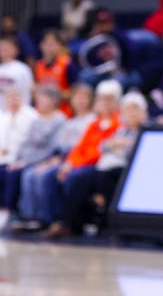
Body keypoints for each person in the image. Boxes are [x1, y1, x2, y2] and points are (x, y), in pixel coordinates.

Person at [45, 89, 145, 240]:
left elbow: (134, 154)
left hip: (124, 168)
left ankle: (109, 222)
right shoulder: (121, 130)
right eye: (128, 110)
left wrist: (120, 146)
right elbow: (102, 146)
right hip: (105, 165)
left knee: (95, 177)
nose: (131, 114)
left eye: (135, 110)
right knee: (78, 180)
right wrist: (114, 144)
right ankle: (67, 223)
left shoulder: (142, 131)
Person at [41, 79, 121, 239]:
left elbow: (100, 152)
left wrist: (75, 165)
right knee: (51, 175)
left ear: (116, 102)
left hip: (99, 166)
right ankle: (51, 220)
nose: (104, 103)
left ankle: (69, 223)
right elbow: (80, 147)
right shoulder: (94, 123)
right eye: (102, 99)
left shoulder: (118, 123)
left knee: (76, 178)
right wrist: (69, 163)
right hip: (81, 163)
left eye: (109, 99)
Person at [12, 83, 93, 233]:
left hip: (78, 161)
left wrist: (62, 161)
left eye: (84, 97)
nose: (80, 101)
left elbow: (83, 147)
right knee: (31, 173)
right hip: (62, 157)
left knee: (46, 175)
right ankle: (29, 216)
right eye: (77, 97)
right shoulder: (70, 122)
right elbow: (58, 146)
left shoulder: (92, 121)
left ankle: (48, 218)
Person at [2, 86, 64, 217]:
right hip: (25, 159)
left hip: (43, 160)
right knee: (15, 171)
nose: (39, 101)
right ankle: (26, 215)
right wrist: (20, 161)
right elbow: (26, 144)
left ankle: (40, 216)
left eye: (42, 98)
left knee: (29, 175)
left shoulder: (58, 119)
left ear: (53, 100)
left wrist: (29, 162)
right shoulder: (36, 120)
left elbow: (53, 148)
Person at [0, 89, 39, 206]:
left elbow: (32, 143)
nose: (13, 101)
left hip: (22, 159)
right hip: (3, 158)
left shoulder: (31, 116)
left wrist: (21, 161)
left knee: (10, 174)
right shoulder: (3, 117)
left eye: (15, 97)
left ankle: (7, 210)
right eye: (9, 98)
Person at [34, 31, 71, 111]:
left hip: (62, 112)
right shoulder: (38, 65)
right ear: (41, 45)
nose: (49, 47)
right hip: (42, 112)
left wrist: (51, 96)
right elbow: (35, 88)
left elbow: (74, 92)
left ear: (60, 46)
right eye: (46, 44)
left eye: (52, 44)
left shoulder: (67, 64)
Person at [0, 36, 33, 103]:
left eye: (6, 48)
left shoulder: (22, 69)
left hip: (18, 109)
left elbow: (29, 90)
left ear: (15, 50)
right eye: (1, 48)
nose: (3, 50)